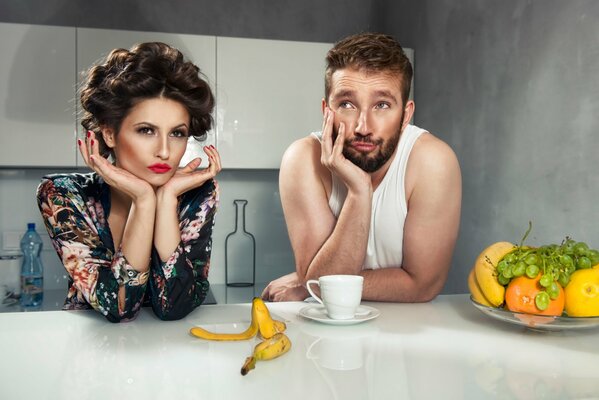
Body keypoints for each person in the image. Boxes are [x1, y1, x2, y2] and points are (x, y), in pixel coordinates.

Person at [262, 33, 461, 302]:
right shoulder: (302, 159)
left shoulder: (433, 161)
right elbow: (320, 285)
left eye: (382, 105)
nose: (363, 127)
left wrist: (311, 282)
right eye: (347, 104)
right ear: (326, 111)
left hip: (407, 331)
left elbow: (422, 286)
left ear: (406, 115)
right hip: (327, 331)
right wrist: (359, 191)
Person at [37, 42, 222, 322]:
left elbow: (175, 306)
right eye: (146, 130)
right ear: (109, 134)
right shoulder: (64, 196)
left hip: (172, 358)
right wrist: (144, 200)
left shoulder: (197, 193)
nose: (164, 150)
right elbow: (119, 308)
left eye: (177, 133)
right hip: (90, 354)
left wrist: (166, 199)